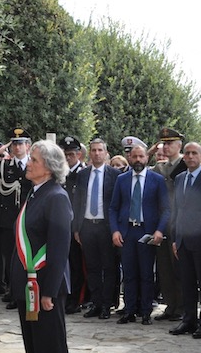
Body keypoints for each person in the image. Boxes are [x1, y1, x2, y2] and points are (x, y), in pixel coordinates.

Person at [10, 140, 73, 353]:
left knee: (50, 347)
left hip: (45, 286)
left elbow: (59, 247)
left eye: (34, 160)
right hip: (29, 285)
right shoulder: (35, 193)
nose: (28, 163)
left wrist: (49, 291)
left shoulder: (56, 196)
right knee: (35, 346)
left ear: (48, 167)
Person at [109, 140, 170, 325]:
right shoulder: (122, 179)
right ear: (129, 158)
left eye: (141, 156)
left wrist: (159, 230)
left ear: (146, 158)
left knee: (146, 273)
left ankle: (145, 311)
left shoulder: (157, 180)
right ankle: (129, 311)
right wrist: (115, 231)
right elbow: (113, 208)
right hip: (127, 231)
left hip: (147, 232)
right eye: (134, 156)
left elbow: (166, 209)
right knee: (129, 274)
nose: (137, 159)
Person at [0, 128, 33, 306]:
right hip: (8, 220)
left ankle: (26, 290)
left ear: (28, 146)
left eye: (20, 144)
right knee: (10, 258)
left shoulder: (34, 164)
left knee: (27, 257)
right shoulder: (3, 166)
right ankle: (13, 291)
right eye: (14, 144)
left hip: (28, 219)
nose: (17, 147)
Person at [169, 142, 201, 338]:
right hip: (182, 239)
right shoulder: (180, 178)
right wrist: (174, 238)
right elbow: (176, 209)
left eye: (194, 153)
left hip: (200, 239)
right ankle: (189, 319)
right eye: (187, 153)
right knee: (186, 281)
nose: (190, 157)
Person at [72, 138, 120, 319]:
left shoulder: (115, 175)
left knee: (108, 267)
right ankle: (96, 303)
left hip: (106, 227)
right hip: (87, 226)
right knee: (92, 267)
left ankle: (107, 304)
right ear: (89, 153)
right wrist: (76, 228)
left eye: (100, 150)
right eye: (93, 150)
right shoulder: (83, 174)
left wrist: (116, 229)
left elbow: (118, 203)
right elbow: (77, 202)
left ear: (106, 153)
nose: (97, 153)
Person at [150, 127, 185, 322]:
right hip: (162, 224)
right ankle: (171, 306)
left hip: (179, 222)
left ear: (179, 145)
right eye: (164, 143)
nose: (166, 147)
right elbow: (138, 167)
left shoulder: (184, 164)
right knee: (164, 269)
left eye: (170, 143)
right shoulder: (160, 167)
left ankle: (182, 307)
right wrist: (150, 151)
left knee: (178, 267)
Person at [61, 136, 87, 313]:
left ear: (79, 154)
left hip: (76, 226)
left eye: (71, 154)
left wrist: (78, 227)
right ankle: (66, 296)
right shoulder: (60, 173)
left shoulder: (83, 174)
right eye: (65, 154)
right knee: (64, 264)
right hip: (61, 225)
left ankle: (77, 299)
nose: (68, 157)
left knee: (77, 265)